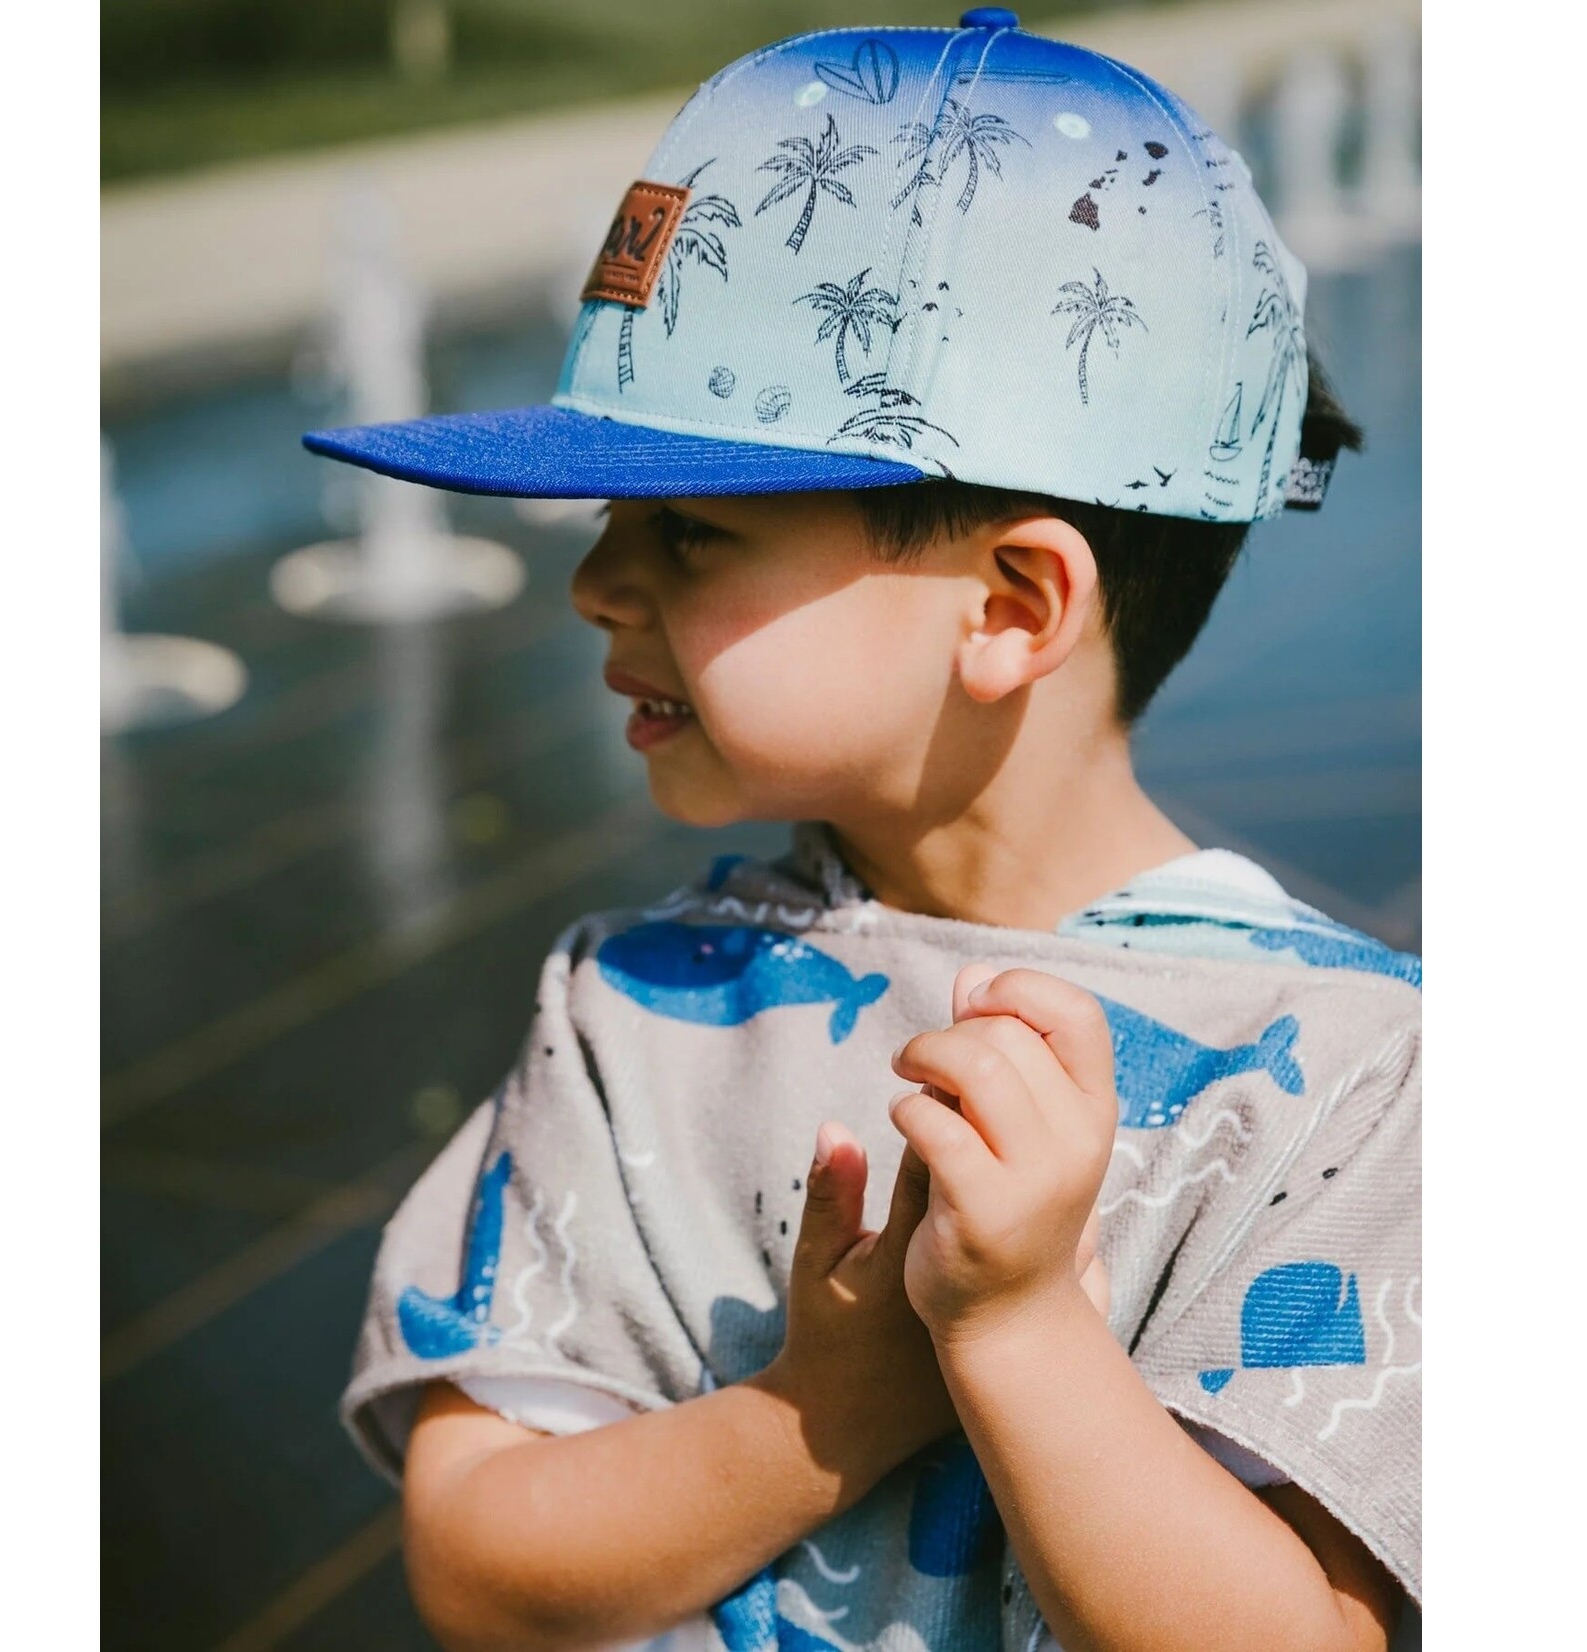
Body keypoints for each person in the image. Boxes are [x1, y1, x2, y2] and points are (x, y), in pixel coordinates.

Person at [306, 11, 1420, 1650]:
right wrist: (819, 1408)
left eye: (687, 532)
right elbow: (476, 1564)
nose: (595, 583)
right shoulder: (629, 1013)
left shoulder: (1345, 1080)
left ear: (1014, 602)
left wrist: (1025, 1333)